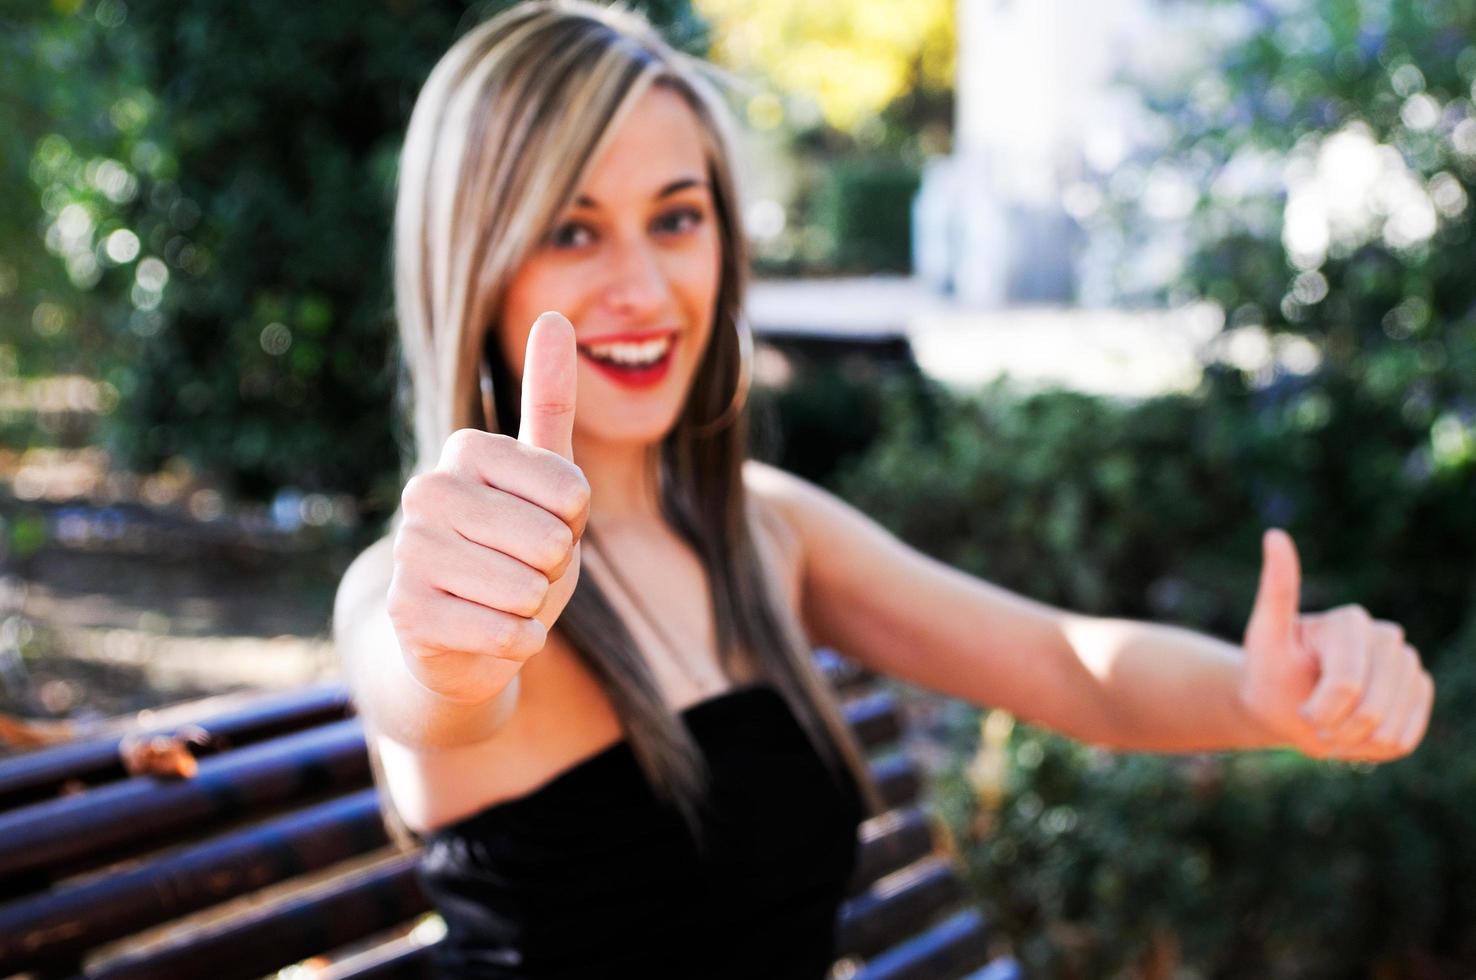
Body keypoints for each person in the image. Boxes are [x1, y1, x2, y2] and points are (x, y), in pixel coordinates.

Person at [331, 2, 1435, 977]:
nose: (645, 285)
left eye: (677, 216)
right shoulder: (422, 584)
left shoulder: (765, 530)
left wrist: (1259, 695)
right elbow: (430, 684)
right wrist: (447, 650)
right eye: (572, 229)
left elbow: (1064, 664)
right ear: (474, 260)